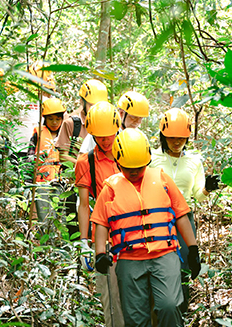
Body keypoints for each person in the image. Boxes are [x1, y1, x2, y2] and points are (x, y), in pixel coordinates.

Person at [91, 128, 202, 327]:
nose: (134, 172)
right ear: (118, 163)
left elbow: (182, 215)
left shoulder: (162, 180)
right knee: (136, 319)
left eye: (139, 167)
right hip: (129, 261)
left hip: (164, 254)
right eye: (128, 168)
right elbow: (101, 223)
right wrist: (100, 253)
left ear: (148, 160)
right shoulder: (110, 188)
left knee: (167, 306)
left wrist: (193, 249)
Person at [74, 102, 131, 327]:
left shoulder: (131, 153)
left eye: (109, 134)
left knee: (143, 295)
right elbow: (84, 204)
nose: (106, 140)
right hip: (105, 236)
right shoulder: (87, 162)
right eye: (100, 135)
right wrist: (85, 244)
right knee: (111, 296)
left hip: (136, 233)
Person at [149, 108, 220, 317]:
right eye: (171, 137)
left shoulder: (194, 161)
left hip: (183, 219)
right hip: (156, 217)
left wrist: (207, 188)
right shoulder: (151, 158)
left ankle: (179, 319)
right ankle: (157, 315)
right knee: (158, 266)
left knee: (183, 268)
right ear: (163, 136)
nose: (176, 142)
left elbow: (198, 195)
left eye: (181, 138)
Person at [56, 79, 109, 239]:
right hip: (76, 182)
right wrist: (86, 165)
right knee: (76, 227)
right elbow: (63, 155)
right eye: (92, 105)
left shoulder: (106, 123)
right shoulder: (72, 123)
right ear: (83, 102)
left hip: (100, 184)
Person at [28, 97, 67, 226]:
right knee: (44, 218)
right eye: (51, 119)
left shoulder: (67, 133)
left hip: (62, 183)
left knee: (62, 220)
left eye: (58, 119)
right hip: (42, 183)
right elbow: (30, 158)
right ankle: (46, 244)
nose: (55, 122)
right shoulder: (38, 133)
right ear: (45, 118)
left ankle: (61, 245)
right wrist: (29, 184)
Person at [80, 89, 150, 154]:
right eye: (133, 117)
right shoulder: (102, 131)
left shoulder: (141, 137)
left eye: (141, 118)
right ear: (121, 113)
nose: (138, 121)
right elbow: (82, 156)